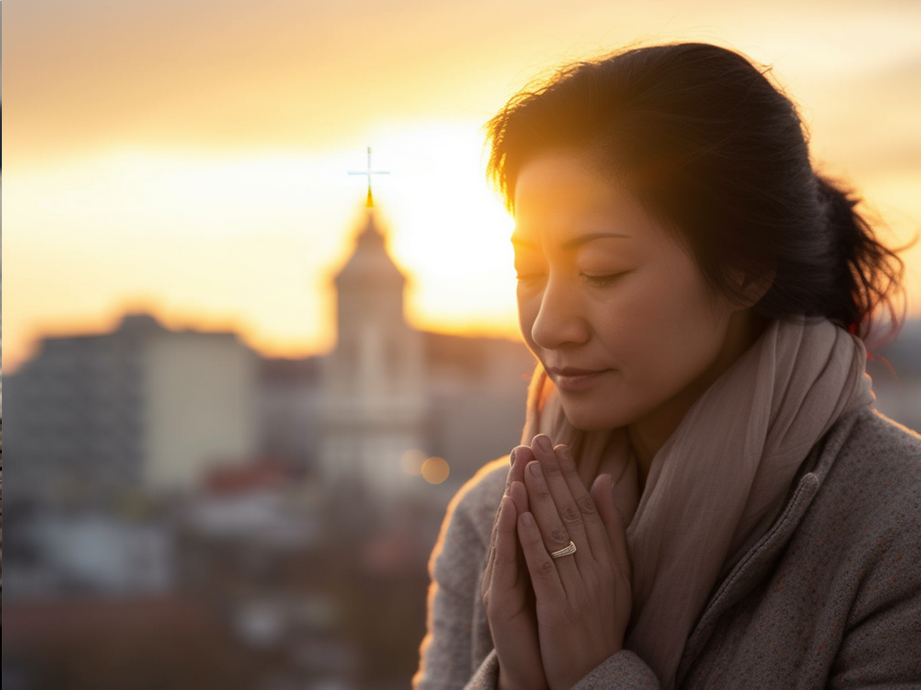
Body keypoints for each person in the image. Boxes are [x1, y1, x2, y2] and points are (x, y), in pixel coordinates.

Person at [413, 43, 921, 689]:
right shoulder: (494, 519)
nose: (546, 325)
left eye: (602, 272)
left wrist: (591, 673)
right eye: (529, 271)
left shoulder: (894, 533)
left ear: (744, 269)